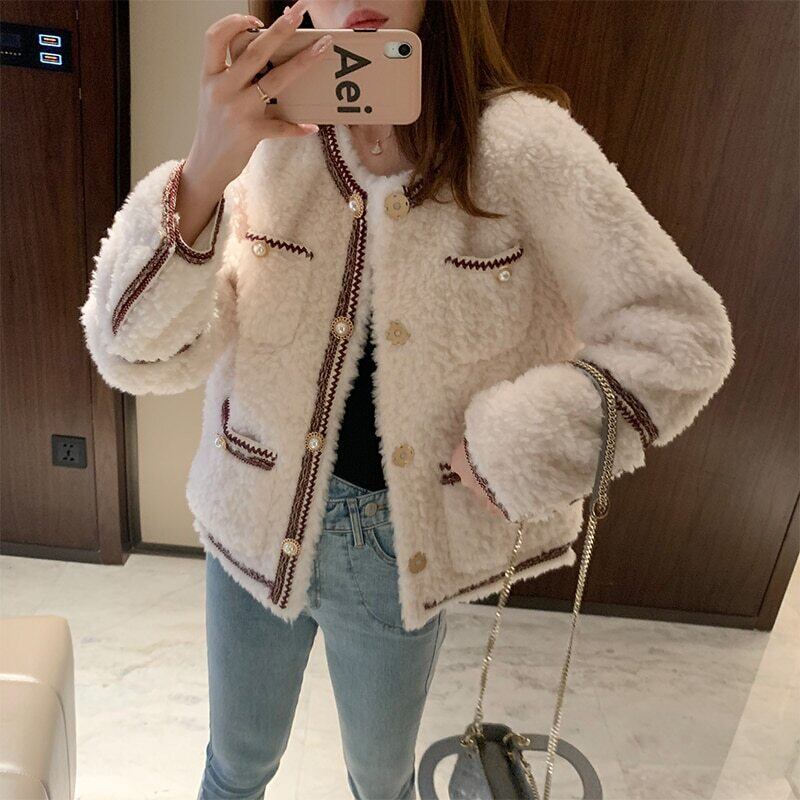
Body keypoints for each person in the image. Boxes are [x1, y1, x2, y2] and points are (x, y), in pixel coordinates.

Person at [79, 0, 735, 797]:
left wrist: (515, 447)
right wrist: (204, 169)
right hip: (246, 522)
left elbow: (680, 336)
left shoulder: (521, 147)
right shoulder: (265, 134)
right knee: (235, 766)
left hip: (395, 551)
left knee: (381, 778)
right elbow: (132, 350)